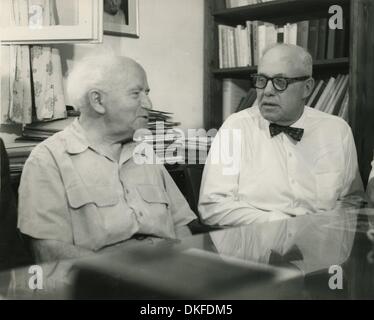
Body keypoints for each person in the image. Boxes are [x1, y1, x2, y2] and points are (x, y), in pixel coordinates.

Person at [17, 55, 197, 263]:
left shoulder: (144, 151)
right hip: (103, 285)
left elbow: (181, 226)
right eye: (136, 94)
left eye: (147, 93)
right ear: (98, 101)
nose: (148, 103)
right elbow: (49, 252)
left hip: (167, 276)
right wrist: (133, 274)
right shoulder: (48, 159)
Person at [199, 43, 364, 226]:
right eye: (261, 80)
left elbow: (353, 201)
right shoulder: (235, 128)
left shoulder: (337, 130)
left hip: (319, 247)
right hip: (256, 246)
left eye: (280, 82)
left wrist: (323, 232)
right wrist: (280, 223)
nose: (267, 91)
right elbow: (212, 207)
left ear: (307, 88)